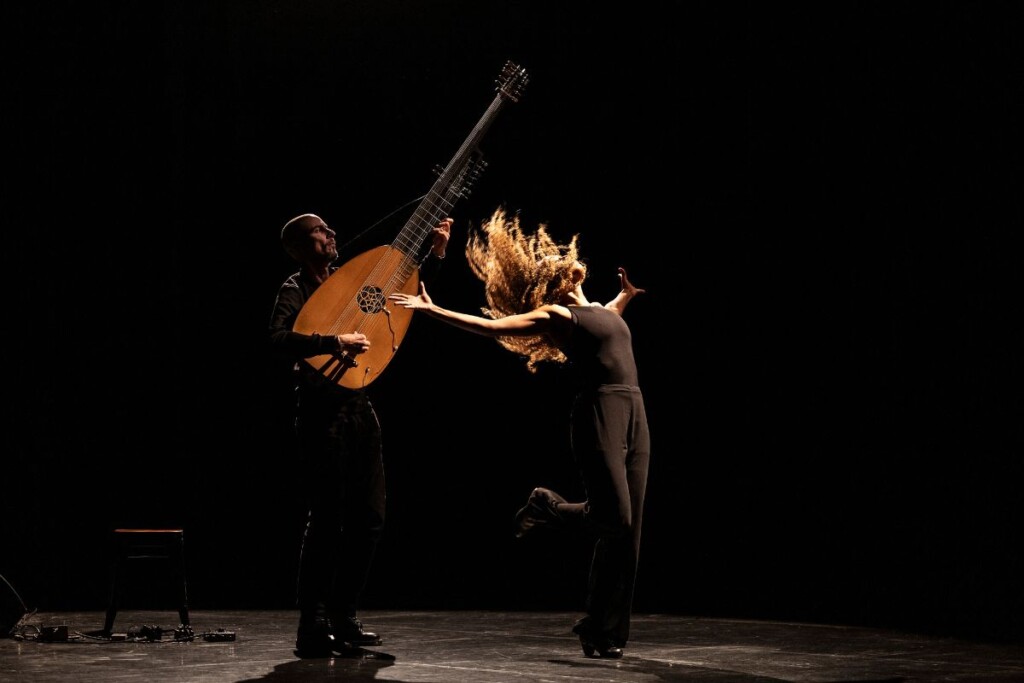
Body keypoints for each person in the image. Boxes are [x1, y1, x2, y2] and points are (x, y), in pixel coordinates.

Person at [389, 207, 650, 659]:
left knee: (628, 532)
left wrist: (625, 297)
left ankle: (604, 630)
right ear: (550, 284)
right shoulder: (556, 315)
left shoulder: (597, 309)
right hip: (601, 409)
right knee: (616, 517)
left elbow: (609, 319)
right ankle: (547, 505)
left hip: (635, 409)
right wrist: (433, 311)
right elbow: (490, 327)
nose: (557, 259)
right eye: (550, 265)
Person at [269, 212, 452, 658]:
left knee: (370, 518)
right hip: (319, 410)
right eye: (319, 231)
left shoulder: (349, 282)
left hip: (359, 407)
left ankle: (343, 617)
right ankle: (310, 626)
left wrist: (435, 253)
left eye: (331, 228)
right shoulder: (296, 289)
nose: (331, 234)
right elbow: (277, 338)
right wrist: (333, 343)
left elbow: (402, 297)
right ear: (296, 247)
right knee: (327, 519)